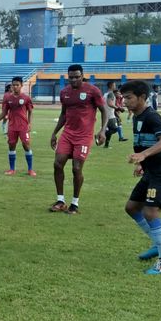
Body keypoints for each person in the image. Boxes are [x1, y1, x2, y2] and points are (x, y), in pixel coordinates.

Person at [120, 80, 161, 275]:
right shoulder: (137, 117)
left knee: (150, 212)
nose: (124, 101)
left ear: (142, 97)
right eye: (123, 97)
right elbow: (144, 143)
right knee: (131, 208)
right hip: (151, 171)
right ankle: (158, 243)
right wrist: (141, 164)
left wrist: (144, 156)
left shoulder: (152, 116)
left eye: (128, 97)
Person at [49, 64, 107, 214]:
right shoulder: (64, 92)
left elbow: (104, 110)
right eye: (71, 77)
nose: (74, 79)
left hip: (84, 136)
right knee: (57, 164)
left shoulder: (92, 91)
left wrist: (102, 130)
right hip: (67, 134)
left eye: (77, 77)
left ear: (82, 76)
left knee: (76, 168)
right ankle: (60, 201)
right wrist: (55, 133)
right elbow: (63, 114)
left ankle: (75, 203)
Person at [0, 76, 35, 176]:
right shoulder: (8, 98)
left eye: (17, 85)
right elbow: (4, 112)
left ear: (21, 85)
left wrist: (30, 124)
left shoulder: (26, 98)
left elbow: (31, 112)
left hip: (23, 126)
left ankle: (30, 169)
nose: (15, 87)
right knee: (11, 146)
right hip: (12, 126)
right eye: (13, 85)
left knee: (26, 146)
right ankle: (12, 169)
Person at [103, 81, 127, 147]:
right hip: (110, 115)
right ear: (111, 86)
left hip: (106, 115)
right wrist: (119, 108)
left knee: (112, 129)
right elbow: (109, 103)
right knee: (115, 129)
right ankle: (101, 135)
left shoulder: (105, 94)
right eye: (114, 85)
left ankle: (106, 145)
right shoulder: (111, 94)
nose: (115, 86)